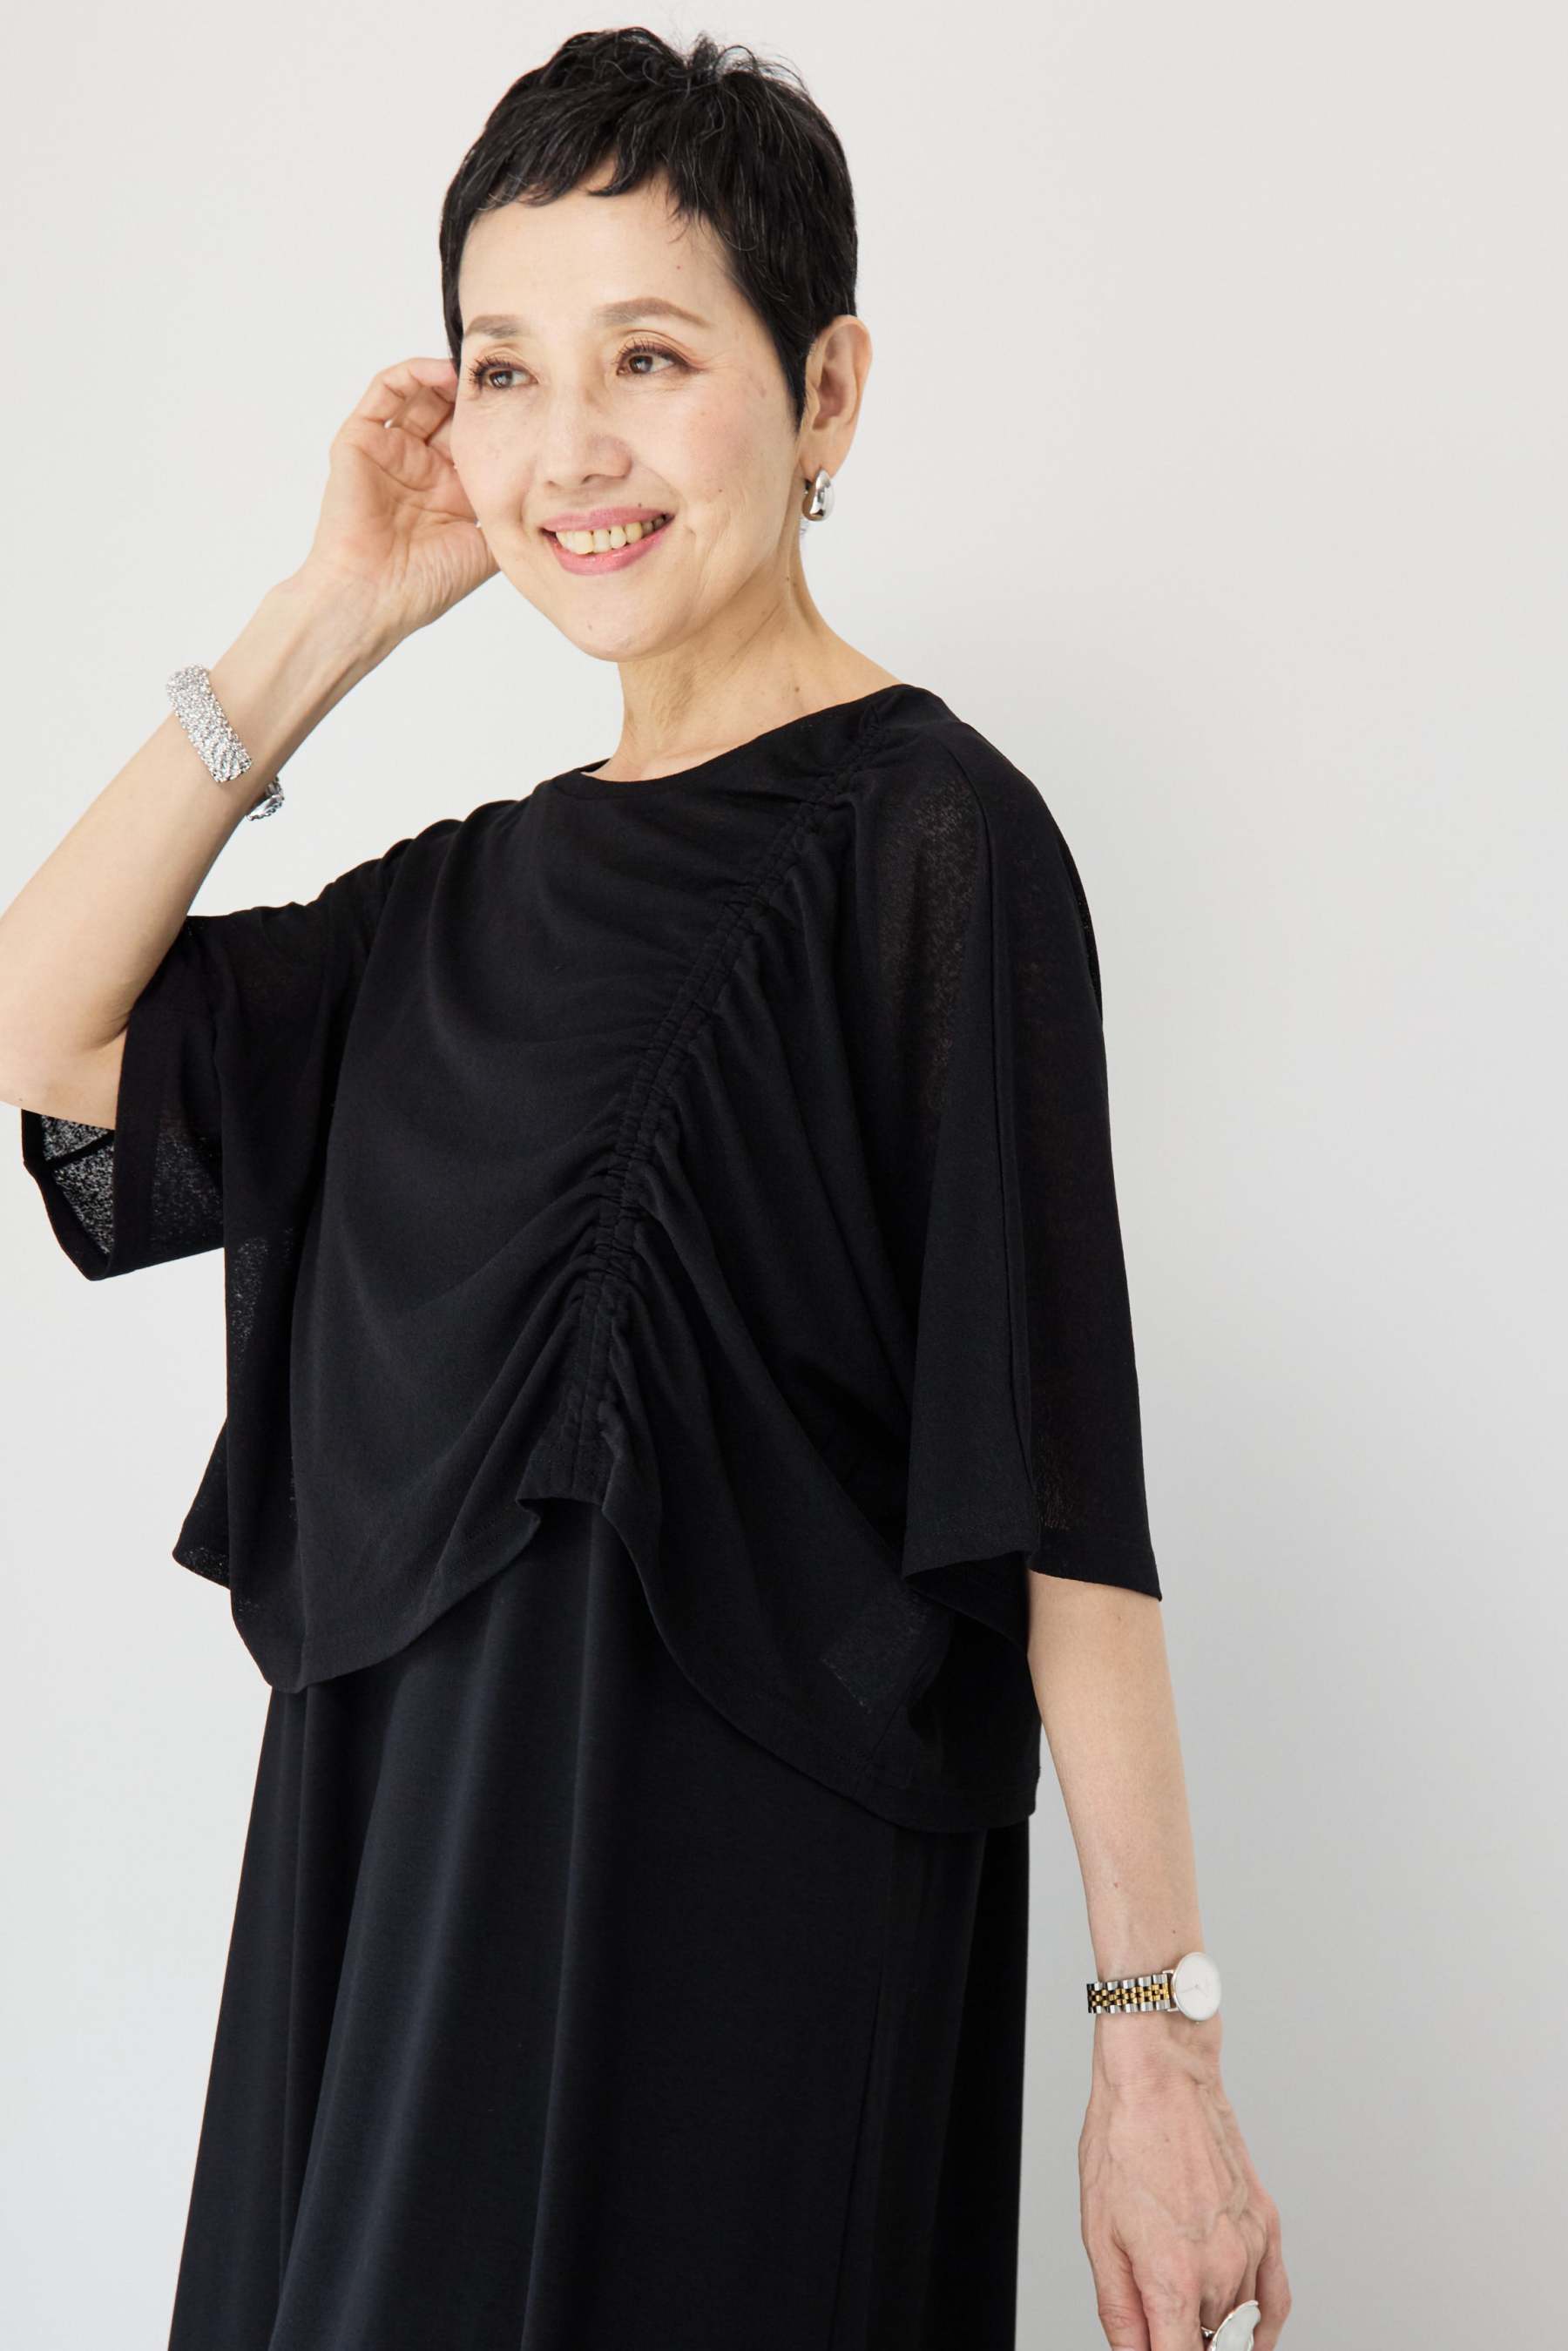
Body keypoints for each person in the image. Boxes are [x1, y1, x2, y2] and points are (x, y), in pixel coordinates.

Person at [0, 27, 1290, 2351]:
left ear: (826, 394)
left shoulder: (934, 843)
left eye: (652, 357)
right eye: (506, 370)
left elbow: (1058, 1495)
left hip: (740, 1976)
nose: (569, 447)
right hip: (391, 1956)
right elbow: (42, 1026)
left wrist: (1157, 2052)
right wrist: (330, 611)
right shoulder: (441, 917)